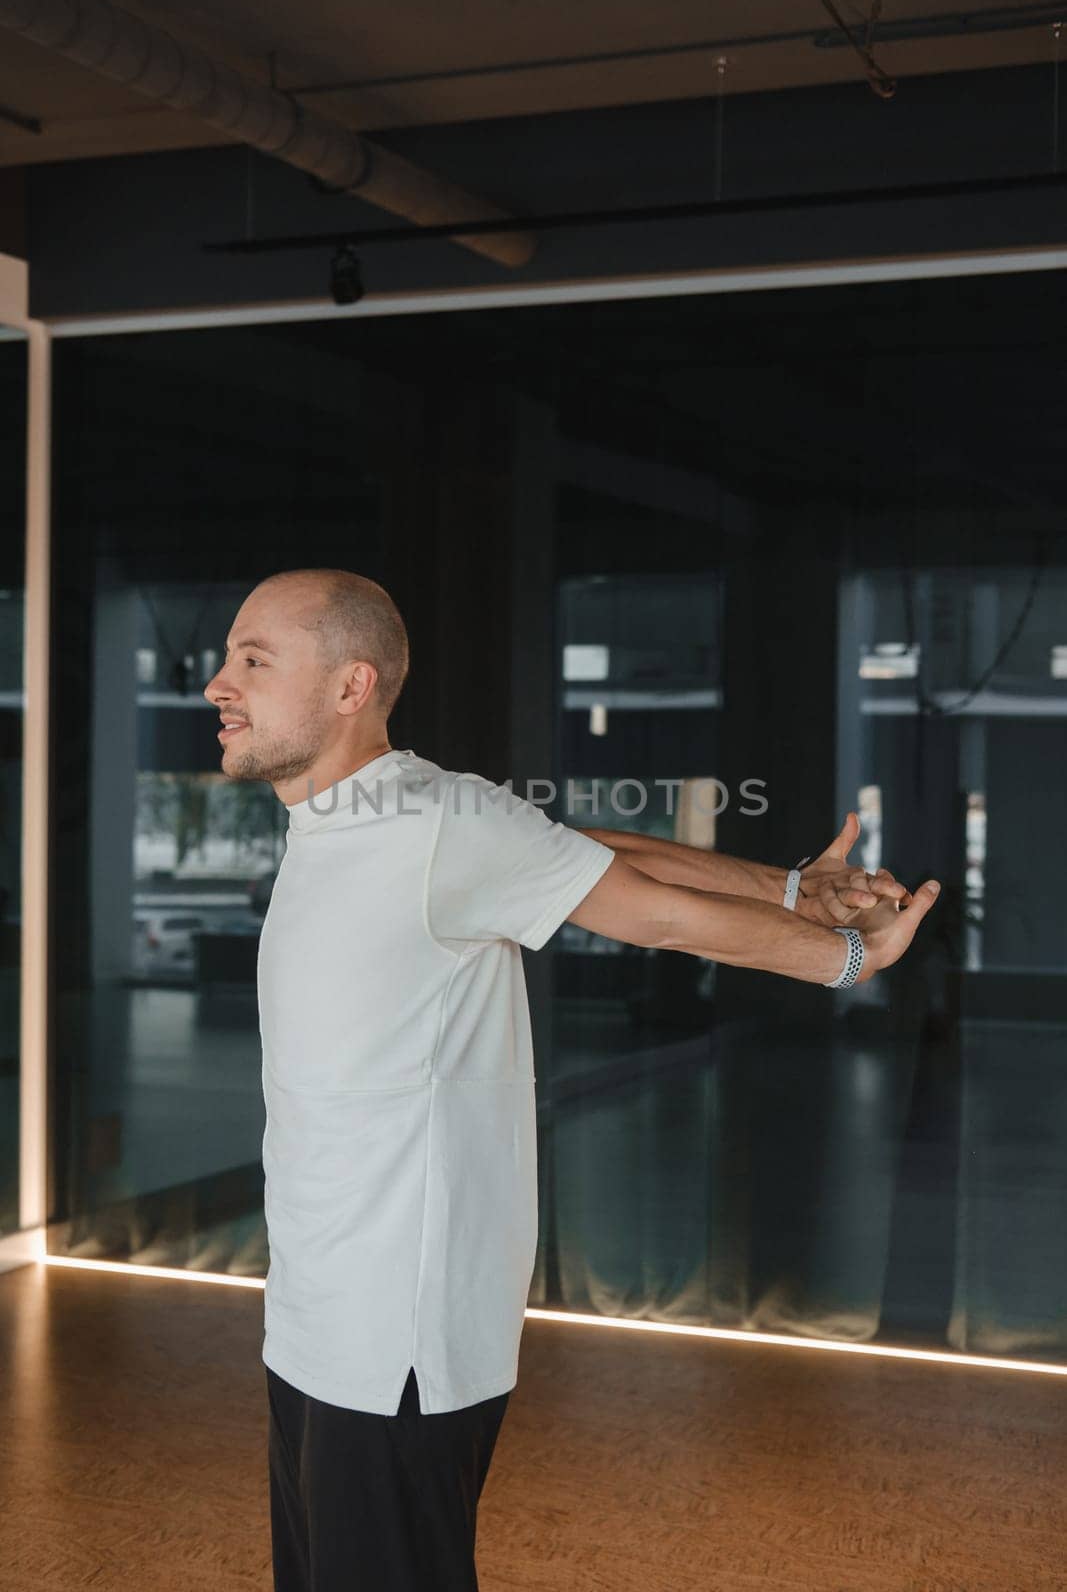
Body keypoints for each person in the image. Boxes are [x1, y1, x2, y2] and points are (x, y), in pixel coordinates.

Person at [203, 568, 939, 1592]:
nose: (215, 685)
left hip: (397, 1347)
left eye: (251, 659)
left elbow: (656, 915)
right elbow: (589, 851)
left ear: (349, 686)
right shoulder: (351, 823)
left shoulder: (436, 821)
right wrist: (783, 887)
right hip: (312, 1327)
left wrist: (847, 960)